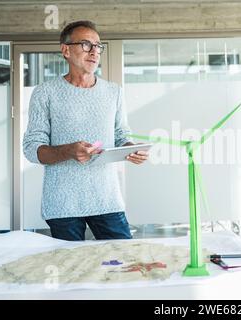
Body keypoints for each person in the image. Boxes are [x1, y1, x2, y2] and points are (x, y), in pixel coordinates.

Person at [23, 20, 148, 241]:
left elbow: (121, 135)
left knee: (123, 263)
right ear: (65, 50)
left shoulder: (113, 92)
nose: (94, 51)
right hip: (63, 203)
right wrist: (67, 151)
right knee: (72, 271)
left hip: (107, 198)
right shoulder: (45, 93)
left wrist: (130, 149)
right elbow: (32, 149)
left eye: (98, 46)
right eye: (86, 44)